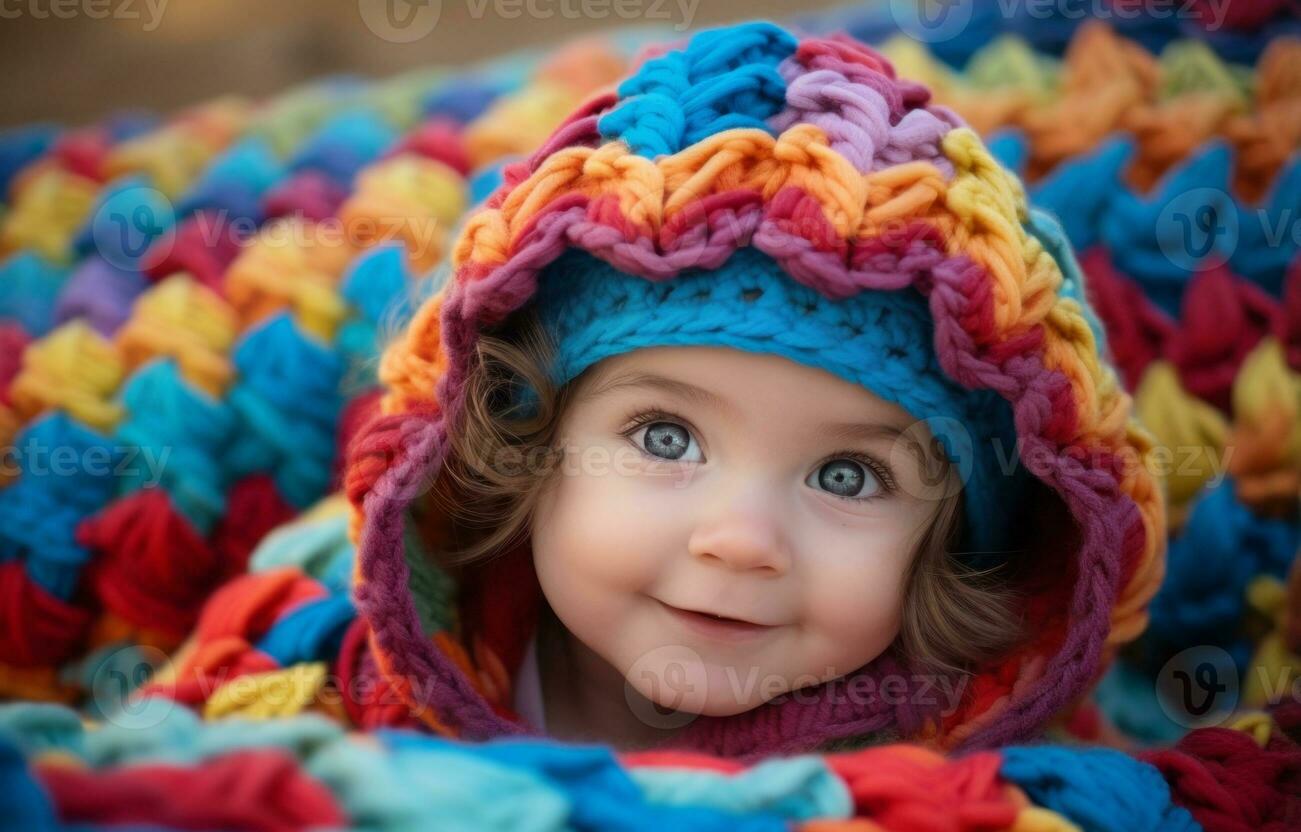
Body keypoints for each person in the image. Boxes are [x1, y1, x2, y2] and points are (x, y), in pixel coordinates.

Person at [326, 22, 1164, 757]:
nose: (740, 540)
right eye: (664, 436)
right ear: (526, 445)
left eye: (847, 475)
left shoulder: (961, 779)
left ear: (948, 553)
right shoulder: (359, 685)